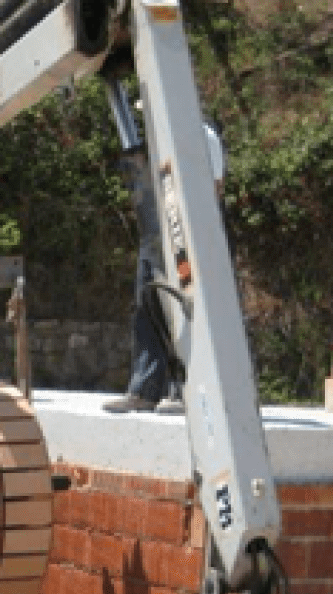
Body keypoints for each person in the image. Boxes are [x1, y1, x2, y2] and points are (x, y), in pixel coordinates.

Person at [105, 122, 225, 414]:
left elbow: (215, 186)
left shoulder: (202, 135)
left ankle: (185, 391)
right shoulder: (153, 140)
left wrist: (195, 232)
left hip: (184, 230)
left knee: (183, 308)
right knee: (147, 307)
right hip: (155, 234)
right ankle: (144, 390)